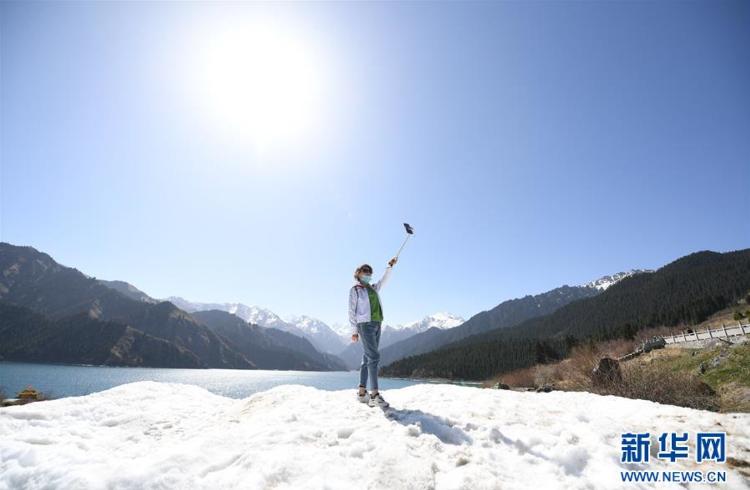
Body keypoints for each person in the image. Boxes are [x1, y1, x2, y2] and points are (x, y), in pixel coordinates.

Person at [349, 257, 398, 407]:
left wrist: (390, 267)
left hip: (377, 324)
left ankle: (362, 392)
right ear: (358, 273)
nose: (368, 274)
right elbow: (351, 311)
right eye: (365, 272)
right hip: (365, 325)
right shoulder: (355, 290)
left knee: (368, 357)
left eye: (370, 272)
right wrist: (354, 330)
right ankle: (374, 394)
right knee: (374, 356)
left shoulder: (373, 288)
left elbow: (384, 280)